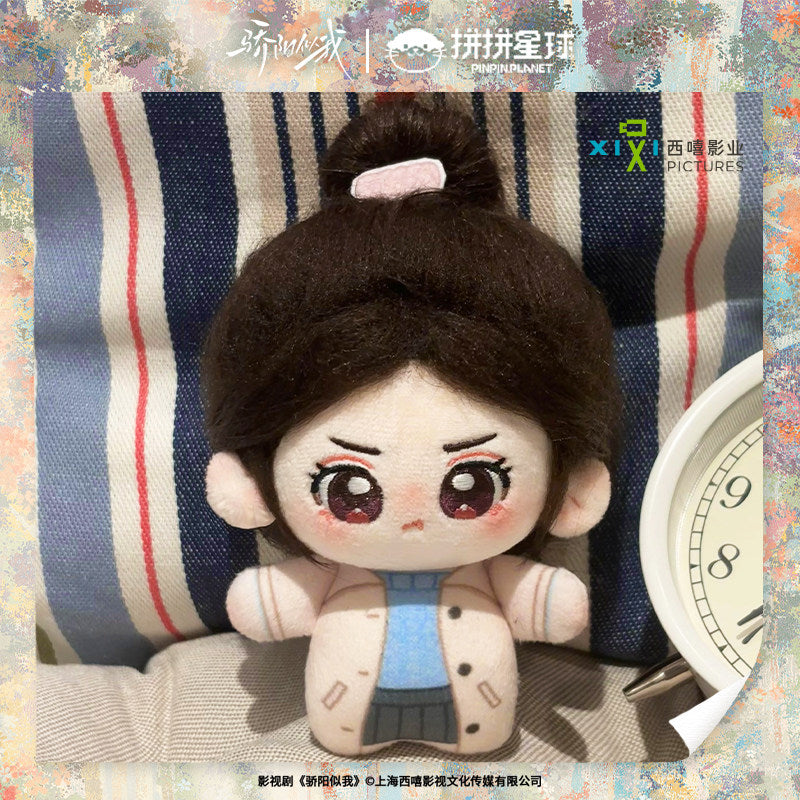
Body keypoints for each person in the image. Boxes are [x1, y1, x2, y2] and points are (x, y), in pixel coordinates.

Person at [202, 97, 621, 755]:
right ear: (252, 487)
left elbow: (554, 607)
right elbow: (264, 608)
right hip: (348, 714)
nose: (415, 516)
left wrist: (543, 598)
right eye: (348, 489)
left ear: (570, 489)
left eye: (473, 484)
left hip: (474, 718)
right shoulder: (328, 572)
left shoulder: (492, 575)